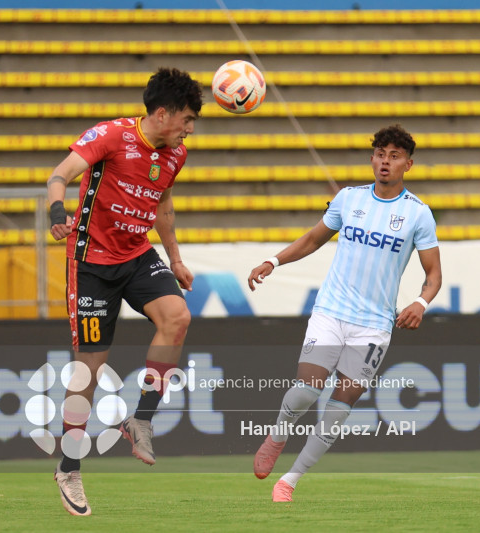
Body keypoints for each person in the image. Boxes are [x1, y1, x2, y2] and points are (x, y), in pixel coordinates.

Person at [247, 124, 442, 502]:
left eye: (395, 156)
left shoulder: (418, 214)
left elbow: (433, 275)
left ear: (408, 164)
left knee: (339, 409)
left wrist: (420, 302)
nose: (386, 161)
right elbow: (312, 240)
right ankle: (278, 435)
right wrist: (273, 260)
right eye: (380, 154)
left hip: (374, 327)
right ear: (372, 159)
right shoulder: (349, 199)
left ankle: (290, 480)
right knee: (306, 390)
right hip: (331, 311)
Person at [46, 67, 203, 516]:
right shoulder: (111, 136)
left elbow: (164, 203)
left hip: (137, 255)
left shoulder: (176, 154)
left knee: (178, 317)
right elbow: (60, 174)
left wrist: (173, 257)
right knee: (89, 372)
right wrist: (57, 210)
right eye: (187, 119)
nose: (190, 129)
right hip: (92, 263)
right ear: (162, 112)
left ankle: (141, 419)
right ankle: (69, 467)